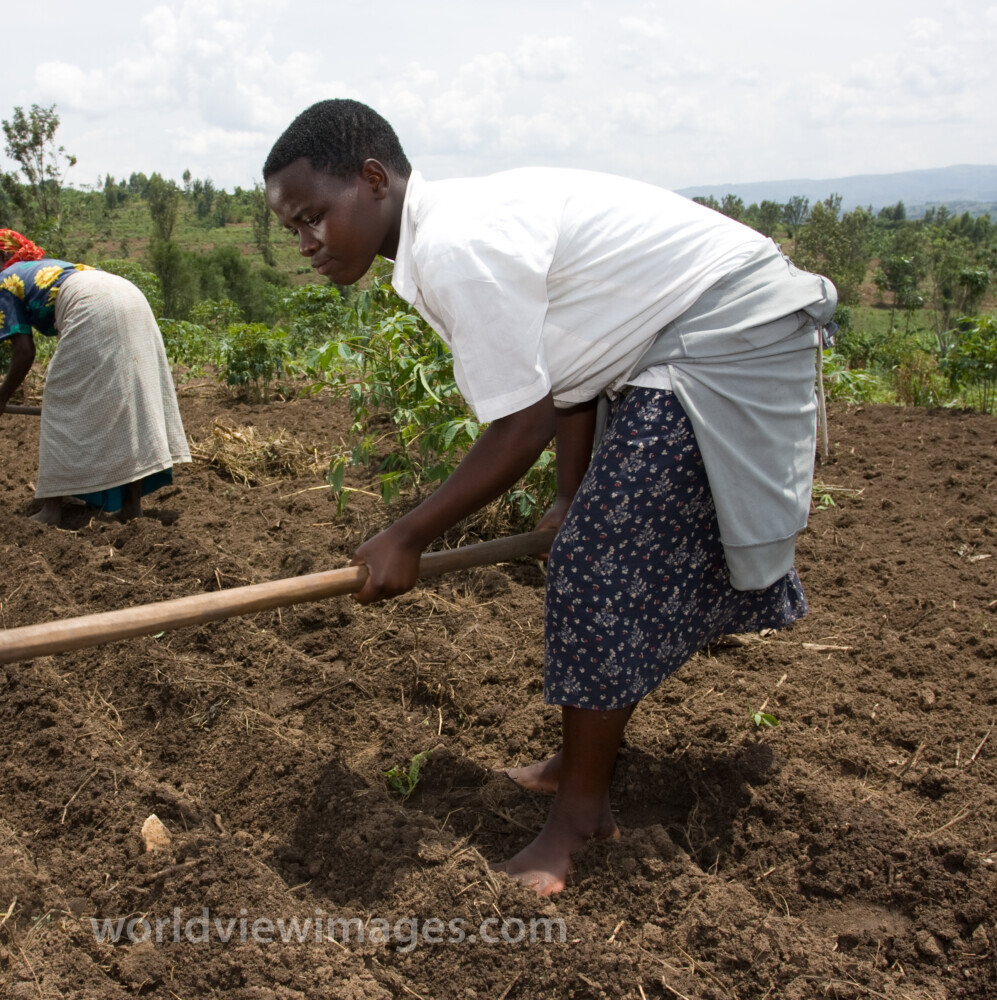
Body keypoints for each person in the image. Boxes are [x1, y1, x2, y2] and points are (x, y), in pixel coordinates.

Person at [263, 100, 837, 896]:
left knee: (601, 565)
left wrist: (408, 535)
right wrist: (572, 494)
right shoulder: (440, 240)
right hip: (662, 345)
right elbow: (564, 373)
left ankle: (579, 819)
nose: (306, 243)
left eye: (314, 217)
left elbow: (523, 420)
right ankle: (581, 760)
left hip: (726, 329)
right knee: (593, 542)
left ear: (372, 180)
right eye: (294, 228)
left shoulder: (458, 244)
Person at [0, 229, 190, 523]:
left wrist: (0, 398)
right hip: (128, 294)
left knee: (60, 400)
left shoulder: (5, 281)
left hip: (93, 303)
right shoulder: (48, 266)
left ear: (2, 257)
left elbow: (24, 352)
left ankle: (52, 509)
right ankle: (131, 506)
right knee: (126, 399)